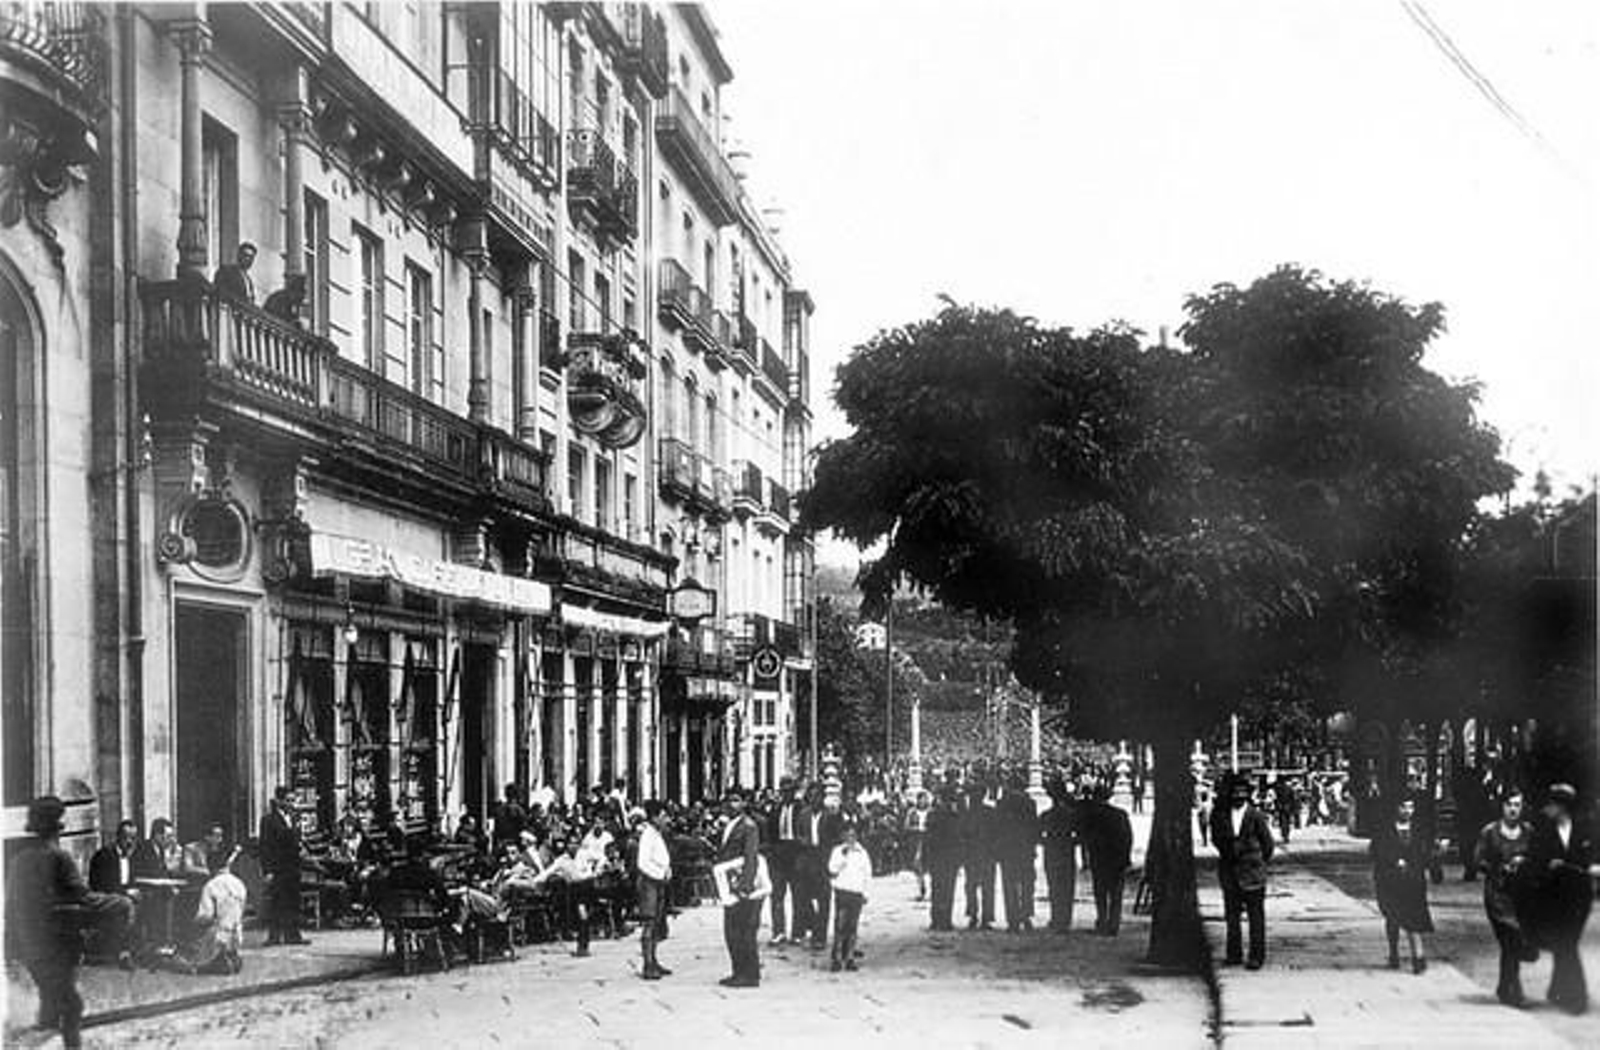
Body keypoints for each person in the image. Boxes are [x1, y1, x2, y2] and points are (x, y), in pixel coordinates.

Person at [5, 797, 134, 1048]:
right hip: (56, 945)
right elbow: (84, 897)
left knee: (50, 1004)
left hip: (30, 947)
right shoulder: (58, 858)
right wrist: (120, 902)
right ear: (57, 827)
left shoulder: (18, 861)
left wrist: (11, 947)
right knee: (72, 1006)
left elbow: (10, 909)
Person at [1524, 783, 1597, 1014]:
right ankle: (1567, 992)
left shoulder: (1585, 829)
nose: (1548, 809)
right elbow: (1533, 859)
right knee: (1564, 942)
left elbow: (1591, 857)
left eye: (1552, 804)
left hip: (1579, 896)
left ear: (1563, 806)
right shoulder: (1543, 831)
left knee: (1568, 942)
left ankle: (1572, 995)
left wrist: (1588, 866)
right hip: (1553, 896)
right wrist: (1548, 864)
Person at [1474, 787, 1533, 1007]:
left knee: (1512, 944)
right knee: (1511, 939)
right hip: (1497, 896)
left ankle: (1503, 985)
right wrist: (1498, 867)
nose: (1513, 809)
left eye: (1517, 805)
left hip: (1521, 896)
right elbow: (1477, 860)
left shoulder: (1528, 831)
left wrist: (1524, 862)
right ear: (1502, 806)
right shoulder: (1490, 832)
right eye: (1509, 804)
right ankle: (1514, 989)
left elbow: (1538, 857)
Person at [1211, 773, 1274, 969]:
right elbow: (1216, 839)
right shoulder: (1221, 815)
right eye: (1235, 792)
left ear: (1248, 794)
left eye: (1243, 792)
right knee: (1232, 917)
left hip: (1253, 874)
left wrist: (1257, 862)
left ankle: (1256, 956)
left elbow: (1268, 844)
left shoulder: (1256, 816)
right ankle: (1234, 954)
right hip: (1230, 872)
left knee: (1256, 917)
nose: (1239, 795)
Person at [1371, 795, 1435, 974]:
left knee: (1414, 917)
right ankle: (1394, 952)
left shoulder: (1419, 829)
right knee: (1392, 917)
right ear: (1396, 808)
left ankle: (1418, 958)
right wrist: (1393, 860)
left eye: (1410, 807)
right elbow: (1376, 851)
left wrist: (1429, 862)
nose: (1407, 811)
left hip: (1413, 879)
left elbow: (1424, 851)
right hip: (1389, 880)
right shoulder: (1384, 829)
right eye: (1403, 807)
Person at [717, 786, 763, 988]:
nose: (731, 804)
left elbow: (751, 857)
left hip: (741, 885)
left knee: (744, 930)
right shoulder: (729, 825)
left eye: (736, 800)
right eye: (728, 800)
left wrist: (746, 885)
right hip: (729, 884)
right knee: (732, 931)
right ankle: (738, 971)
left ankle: (749, 974)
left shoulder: (748, 826)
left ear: (744, 803)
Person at [182, 847, 247, 974]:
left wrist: (190, 923)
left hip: (218, 936)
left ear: (210, 867)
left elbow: (205, 916)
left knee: (196, 930)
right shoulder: (240, 884)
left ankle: (217, 960)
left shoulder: (211, 885)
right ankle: (231, 955)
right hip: (237, 934)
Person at [260, 786, 309, 946]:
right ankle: (273, 936)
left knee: (293, 900)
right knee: (277, 901)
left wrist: (301, 847)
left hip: (293, 866)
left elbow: (297, 840)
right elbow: (265, 846)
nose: (291, 804)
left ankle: (293, 935)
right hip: (278, 867)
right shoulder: (268, 820)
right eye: (288, 800)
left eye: (293, 800)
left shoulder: (294, 818)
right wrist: (267, 870)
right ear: (279, 801)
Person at [1081, 790, 1132, 936]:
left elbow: (1086, 837)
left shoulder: (1092, 816)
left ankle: (1102, 922)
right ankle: (1114, 924)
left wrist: (1087, 858)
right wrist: (1126, 857)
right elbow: (1128, 837)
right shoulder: (1120, 814)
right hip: (1117, 859)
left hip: (1099, 859)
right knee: (1116, 894)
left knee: (1101, 893)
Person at [765, 776, 807, 944]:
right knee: (777, 895)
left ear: (794, 791)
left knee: (798, 896)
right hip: (778, 854)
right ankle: (778, 931)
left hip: (796, 852)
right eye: (783, 791)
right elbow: (770, 832)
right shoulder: (775, 809)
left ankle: (798, 932)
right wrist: (771, 851)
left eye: (789, 790)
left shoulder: (801, 808)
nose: (786, 794)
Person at [634, 802, 674, 980]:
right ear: (654, 817)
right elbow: (642, 863)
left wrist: (667, 870)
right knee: (649, 923)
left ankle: (654, 960)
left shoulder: (657, 834)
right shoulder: (647, 835)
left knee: (657, 922)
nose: (666, 819)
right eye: (663, 816)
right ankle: (647, 965)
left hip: (659, 882)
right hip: (649, 883)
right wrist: (660, 874)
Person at [828, 821, 873, 973]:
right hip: (842, 891)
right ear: (843, 836)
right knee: (840, 925)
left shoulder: (862, 853)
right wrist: (843, 856)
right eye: (847, 836)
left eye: (853, 836)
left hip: (856, 892)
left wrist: (866, 893)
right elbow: (832, 869)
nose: (850, 839)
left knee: (852, 927)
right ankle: (836, 957)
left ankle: (849, 957)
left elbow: (867, 874)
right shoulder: (837, 851)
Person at [996, 777, 1039, 932]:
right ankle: (1026, 916)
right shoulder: (1030, 803)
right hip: (1025, 849)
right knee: (1027, 884)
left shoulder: (1003, 803)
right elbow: (1034, 828)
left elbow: (998, 828)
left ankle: (1012, 919)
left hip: (1008, 849)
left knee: (1009, 884)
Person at [1040, 780, 1079, 932]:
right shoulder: (1071, 815)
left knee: (1053, 886)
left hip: (1051, 852)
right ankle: (1065, 919)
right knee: (1067, 886)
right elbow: (1081, 835)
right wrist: (1070, 842)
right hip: (1066, 852)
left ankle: (1056, 917)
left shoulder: (1046, 815)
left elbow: (1036, 835)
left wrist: (1047, 842)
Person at [925, 788, 962, 931]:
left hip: (936, 857)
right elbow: (958, 839)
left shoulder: (932, 815)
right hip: (950, 858)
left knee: (936, 888)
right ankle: (946, 920)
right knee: (948, 889)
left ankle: (935, 920)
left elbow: (928, 837)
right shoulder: (954, 816)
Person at [903, 789, 932, 901]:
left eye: (925, 799)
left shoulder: (931, 811)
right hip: (916, 839)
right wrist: (915, 828)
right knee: (917, 864)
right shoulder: (912, 812)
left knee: (928, 864)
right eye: (921, 799)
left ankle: (928, 889)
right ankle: (921, 888)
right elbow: (906, 826)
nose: (923, 801)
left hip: (928, 839)